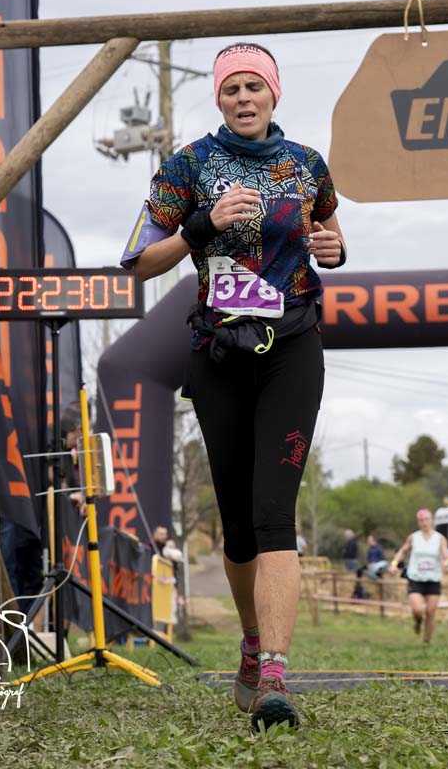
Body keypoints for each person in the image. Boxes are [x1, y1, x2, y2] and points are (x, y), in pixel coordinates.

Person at [120, 42, 346, 731]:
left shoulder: (306, 164)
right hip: (219, 353)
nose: (243, 98)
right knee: (240, 527)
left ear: (274, 93)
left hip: (293, 345)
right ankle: (250, 642)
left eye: (254, 87)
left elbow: (329, 229)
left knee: (275, 514)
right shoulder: (187, 165)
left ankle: (274, 674)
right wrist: (203, 224)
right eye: (231, 89)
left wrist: (335, 249)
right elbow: (138, 262)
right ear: (218, 98)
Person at [390, 509, 448, 645]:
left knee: (430, 611)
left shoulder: (440, 538)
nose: (424, 523)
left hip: (433, 578)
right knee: (418, 610)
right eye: (421, 520)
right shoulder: (413, 537)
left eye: (426, 519)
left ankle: (426, 642)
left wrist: (446, 563)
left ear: (431, 520)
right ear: (418, 522)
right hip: (415, 578)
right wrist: (394, 564)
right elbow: (402, 551)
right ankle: (417, 621)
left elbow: (446, 556)